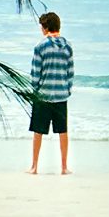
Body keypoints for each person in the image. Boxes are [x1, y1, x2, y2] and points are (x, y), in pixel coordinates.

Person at [27, 12, 74, 175]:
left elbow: (35, 73)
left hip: (43, 95)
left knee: (38, 131)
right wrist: (67, 89)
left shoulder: (41, 47)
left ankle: (34, 166)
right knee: (63, 131)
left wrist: (36, 90)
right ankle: (64, 167)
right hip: (61, 94)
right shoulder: (67, 46)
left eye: (42, 27)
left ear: (46, 28)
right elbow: (70, 72)